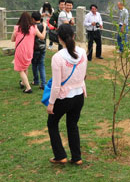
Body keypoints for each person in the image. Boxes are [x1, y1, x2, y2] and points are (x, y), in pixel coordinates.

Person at [47, 24, 88, 165]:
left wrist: (51, 103)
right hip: (79, 95)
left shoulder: (58, 57)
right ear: (73, 36)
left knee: (52, 123)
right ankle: (76, 157)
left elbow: (56, 85)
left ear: (59, 38)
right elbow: (84, 75)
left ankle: (60, 155)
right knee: (72, 125)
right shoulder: (82, 53)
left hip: (64, 98)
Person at [12, 12, 46, 93]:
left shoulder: (17, 28)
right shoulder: (33, 27)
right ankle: (23, 83)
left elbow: (12, 39)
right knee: (25, 67)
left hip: (20, 51)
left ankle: (28, 88)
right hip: (29, 51)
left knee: (21, 70)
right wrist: (44, 27)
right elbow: (42, 37)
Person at [31, 11, 47, 89]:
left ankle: (36, 80)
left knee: (34, 65)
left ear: (33, 19)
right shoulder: (43, 25)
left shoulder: (32, 27)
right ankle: (43, 83)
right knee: (41, 65)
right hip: (43, 48)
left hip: (35, 48)